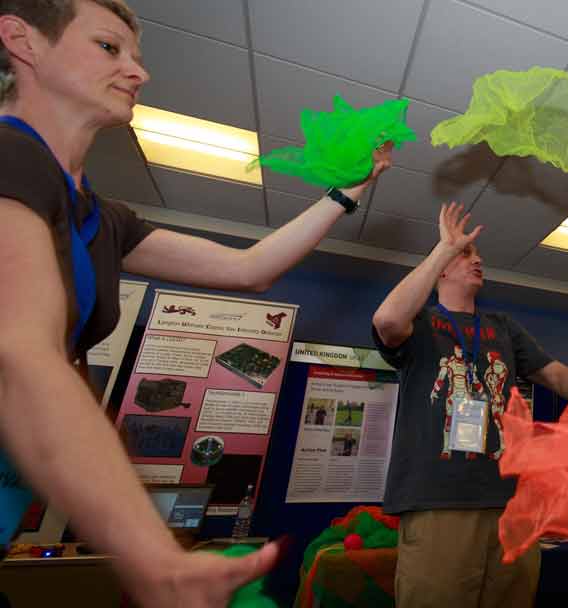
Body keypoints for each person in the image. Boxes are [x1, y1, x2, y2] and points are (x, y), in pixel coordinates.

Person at [0, 1, 391, 605]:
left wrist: (349, 192)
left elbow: (249, 269)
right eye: (110, 47)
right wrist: (159, 562)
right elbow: (22, 354)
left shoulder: (104, 218)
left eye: (136, 56)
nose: (138, 72)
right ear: (21, 40)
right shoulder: (11, 154)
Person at [372, 202, 568, 608]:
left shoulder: (503, 327)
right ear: (443, 270)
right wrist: (444, 247)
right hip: (439, 500)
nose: (480, 259)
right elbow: (387, 322)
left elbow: (559, 376)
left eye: (476, 254)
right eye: (467, 255)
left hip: (511, 501)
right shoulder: (421, 324)